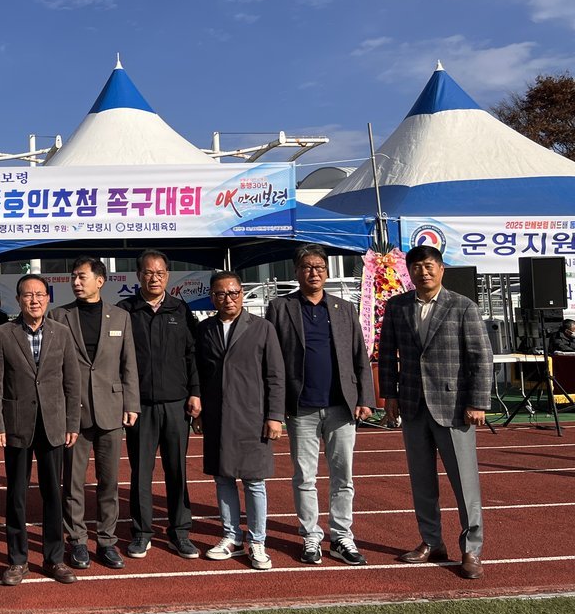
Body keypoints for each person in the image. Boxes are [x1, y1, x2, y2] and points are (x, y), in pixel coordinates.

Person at [380, 245, 493, 581]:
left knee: (465, 483)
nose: (423, 272)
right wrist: (389, 396)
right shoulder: (397, 306)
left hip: (454, 408)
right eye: (416, 266)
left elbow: (481, 357)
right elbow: (387, 355)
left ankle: (471, 548)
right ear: (409, 271)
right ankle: (431, 541)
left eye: (429, 265)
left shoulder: (462, 306)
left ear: (441, 269)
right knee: (421, 480)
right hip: (413, 405)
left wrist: (477, 402)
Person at [265, 245, 374, 566]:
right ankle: (310, 536)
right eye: (307, 267)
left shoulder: (343, 308)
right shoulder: (280, 308)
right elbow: (271, 360)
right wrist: (274, 408)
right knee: (304, 477)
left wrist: (365, 398)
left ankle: (341, 537)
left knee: (343, 477)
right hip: (301, 408)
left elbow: (360, 355)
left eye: (319, 267)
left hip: (341, 406)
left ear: (326, 272)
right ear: (296, 272)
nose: (314, 272)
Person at [0, 274, 80, 586]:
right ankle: (17, 560)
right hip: (17, 425)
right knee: (16, 495)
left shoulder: (61, 333)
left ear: (48, 299)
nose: (34, 300)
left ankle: (54, 558)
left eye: (40, 294)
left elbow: (72, 383)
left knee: (53, 493)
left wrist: (72, 423)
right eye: (28, 295)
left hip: (53, 425)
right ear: (19, 299)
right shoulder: (3, 333)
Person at [53, 256, 139, 570]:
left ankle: (106, 541)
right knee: (73, 482)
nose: (76, 282)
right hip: (73, 413)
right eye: (73, 277)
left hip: (111, 410)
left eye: (82, 277)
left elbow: (129, 364)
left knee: (109, 482)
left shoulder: (120, 317)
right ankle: (77, 540)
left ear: (100, 280)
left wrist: (132, 403)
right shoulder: (59, 316)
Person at [196, 271, 285, 571]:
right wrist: (199, 412)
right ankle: (231, 536)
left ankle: (257, 541)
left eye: (233, 292)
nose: (228, 299)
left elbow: (275, 375)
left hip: (252, 417)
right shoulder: (204, 329)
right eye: (221, 294)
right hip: (217, 417)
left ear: (242, 293)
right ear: (212, 297)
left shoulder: (262, 328)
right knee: (223, 478)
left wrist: (274, 416)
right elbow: (199, 372)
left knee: (254, 481)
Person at [117, 250, 201, 559]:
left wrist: (195, 392)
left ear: (168, 275)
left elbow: (192, 356)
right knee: (141, 472)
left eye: (160, 273)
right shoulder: (125, 311)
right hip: (139, 406)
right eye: (149, 272)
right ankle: (141, 533)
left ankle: (180, 532)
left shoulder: (180, 309)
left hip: (176, 404)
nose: (154, 278)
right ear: (138, 275)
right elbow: (118, 360)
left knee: (176, 469)